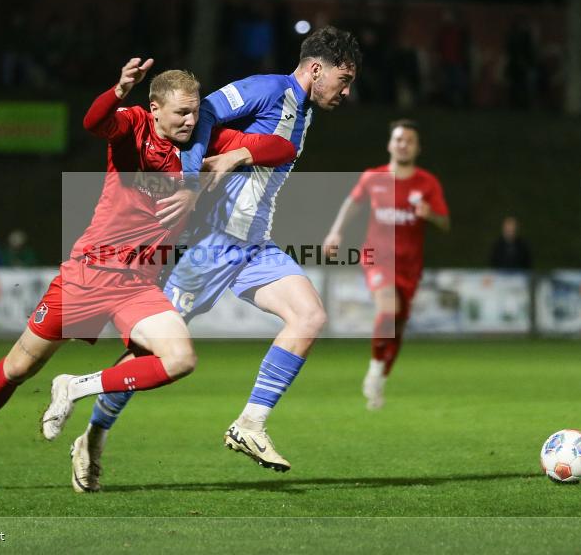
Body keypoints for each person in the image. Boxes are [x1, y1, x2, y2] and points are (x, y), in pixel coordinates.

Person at [0, 58, 294, 491]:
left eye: (195, 111)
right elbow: (94, 121)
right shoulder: (134, 125)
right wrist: (117, 91)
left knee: (181, 358)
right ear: (154, 108)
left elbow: (284, 149)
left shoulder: (201, 142)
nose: (193, 120)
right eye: (182, 113)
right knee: (18, 367)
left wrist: (233, 158)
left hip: (137, 286)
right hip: (89, 273)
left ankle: (75, 386)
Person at [57, 26, 361, 491]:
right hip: (211, 245)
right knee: (148, 351)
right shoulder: (267, 88)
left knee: (309, 315)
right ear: (317, 69)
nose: (347, 90)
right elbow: (204, 114)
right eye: (345, 78)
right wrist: (193, 175)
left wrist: (238, 154)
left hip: (254, 243)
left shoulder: (302, 111)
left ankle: (250, 425)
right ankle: (90, 428)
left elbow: (268, 150)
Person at [323, 119, 449, 410]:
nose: (403, 144)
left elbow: (445, 222)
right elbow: (352, 203)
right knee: (389, 310)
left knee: (398, 325)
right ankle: (375, 369)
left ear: (417, 148)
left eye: (409, 140)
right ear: (390, 144)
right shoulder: (373, 177)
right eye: (399, 139)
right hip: (377, 258)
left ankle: (380, 373)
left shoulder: (427, 183)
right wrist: (336, 231)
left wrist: (430, 214)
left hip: (410, 265)